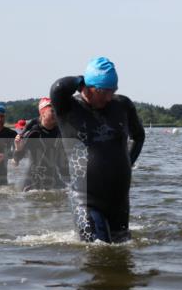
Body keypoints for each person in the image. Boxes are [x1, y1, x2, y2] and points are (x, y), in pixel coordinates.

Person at [50, 56, 145, 243]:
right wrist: (80, 79)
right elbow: (58, 87)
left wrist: (127, 163)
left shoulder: (123, 105)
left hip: (119, 201)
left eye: (113, 90)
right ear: (88, 87)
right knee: (98, 251)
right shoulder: (68, 108)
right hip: (86, 201)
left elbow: (139, 136)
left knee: (122, 254)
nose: (109, 97)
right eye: (104, 92)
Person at [12, 97, 68, 191]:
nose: (55, 113)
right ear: (42, 113)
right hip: (31, 182)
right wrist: (18, 149)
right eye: (52, 111)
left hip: (54, 179)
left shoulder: (61, 131)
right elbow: (16, 161)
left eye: (56, 110)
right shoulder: (34, 133)